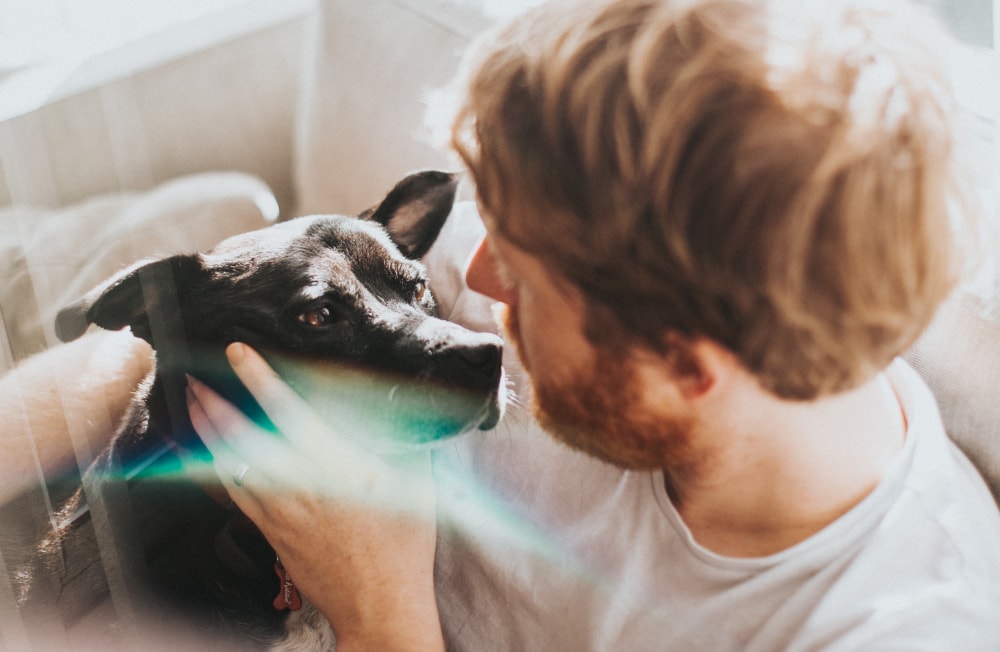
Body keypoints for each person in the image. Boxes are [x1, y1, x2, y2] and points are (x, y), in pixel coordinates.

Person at [9, 0, 1000, 649]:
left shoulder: (885, 624)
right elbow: (183, 333)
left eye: (519, 273)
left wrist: (380, 609)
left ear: (684, 365)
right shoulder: (572, 263)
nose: (473, 276)